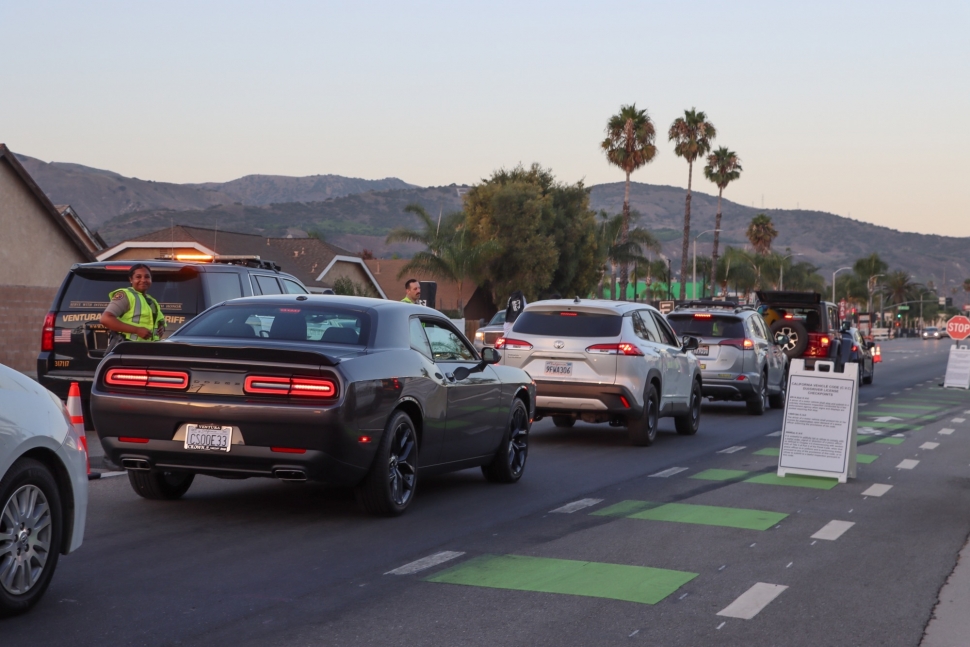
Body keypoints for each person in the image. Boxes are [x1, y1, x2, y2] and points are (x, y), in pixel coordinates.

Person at [100, 263, 166, 347]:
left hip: (147, 349)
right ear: (131, 279)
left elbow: (159, 322)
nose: (143, 280)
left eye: (147, 277)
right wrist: (137, 330)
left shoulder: (152, 301)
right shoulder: (126, 296)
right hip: (128, 348)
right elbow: (105, 319)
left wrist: (162, 328)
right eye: (138, 277)